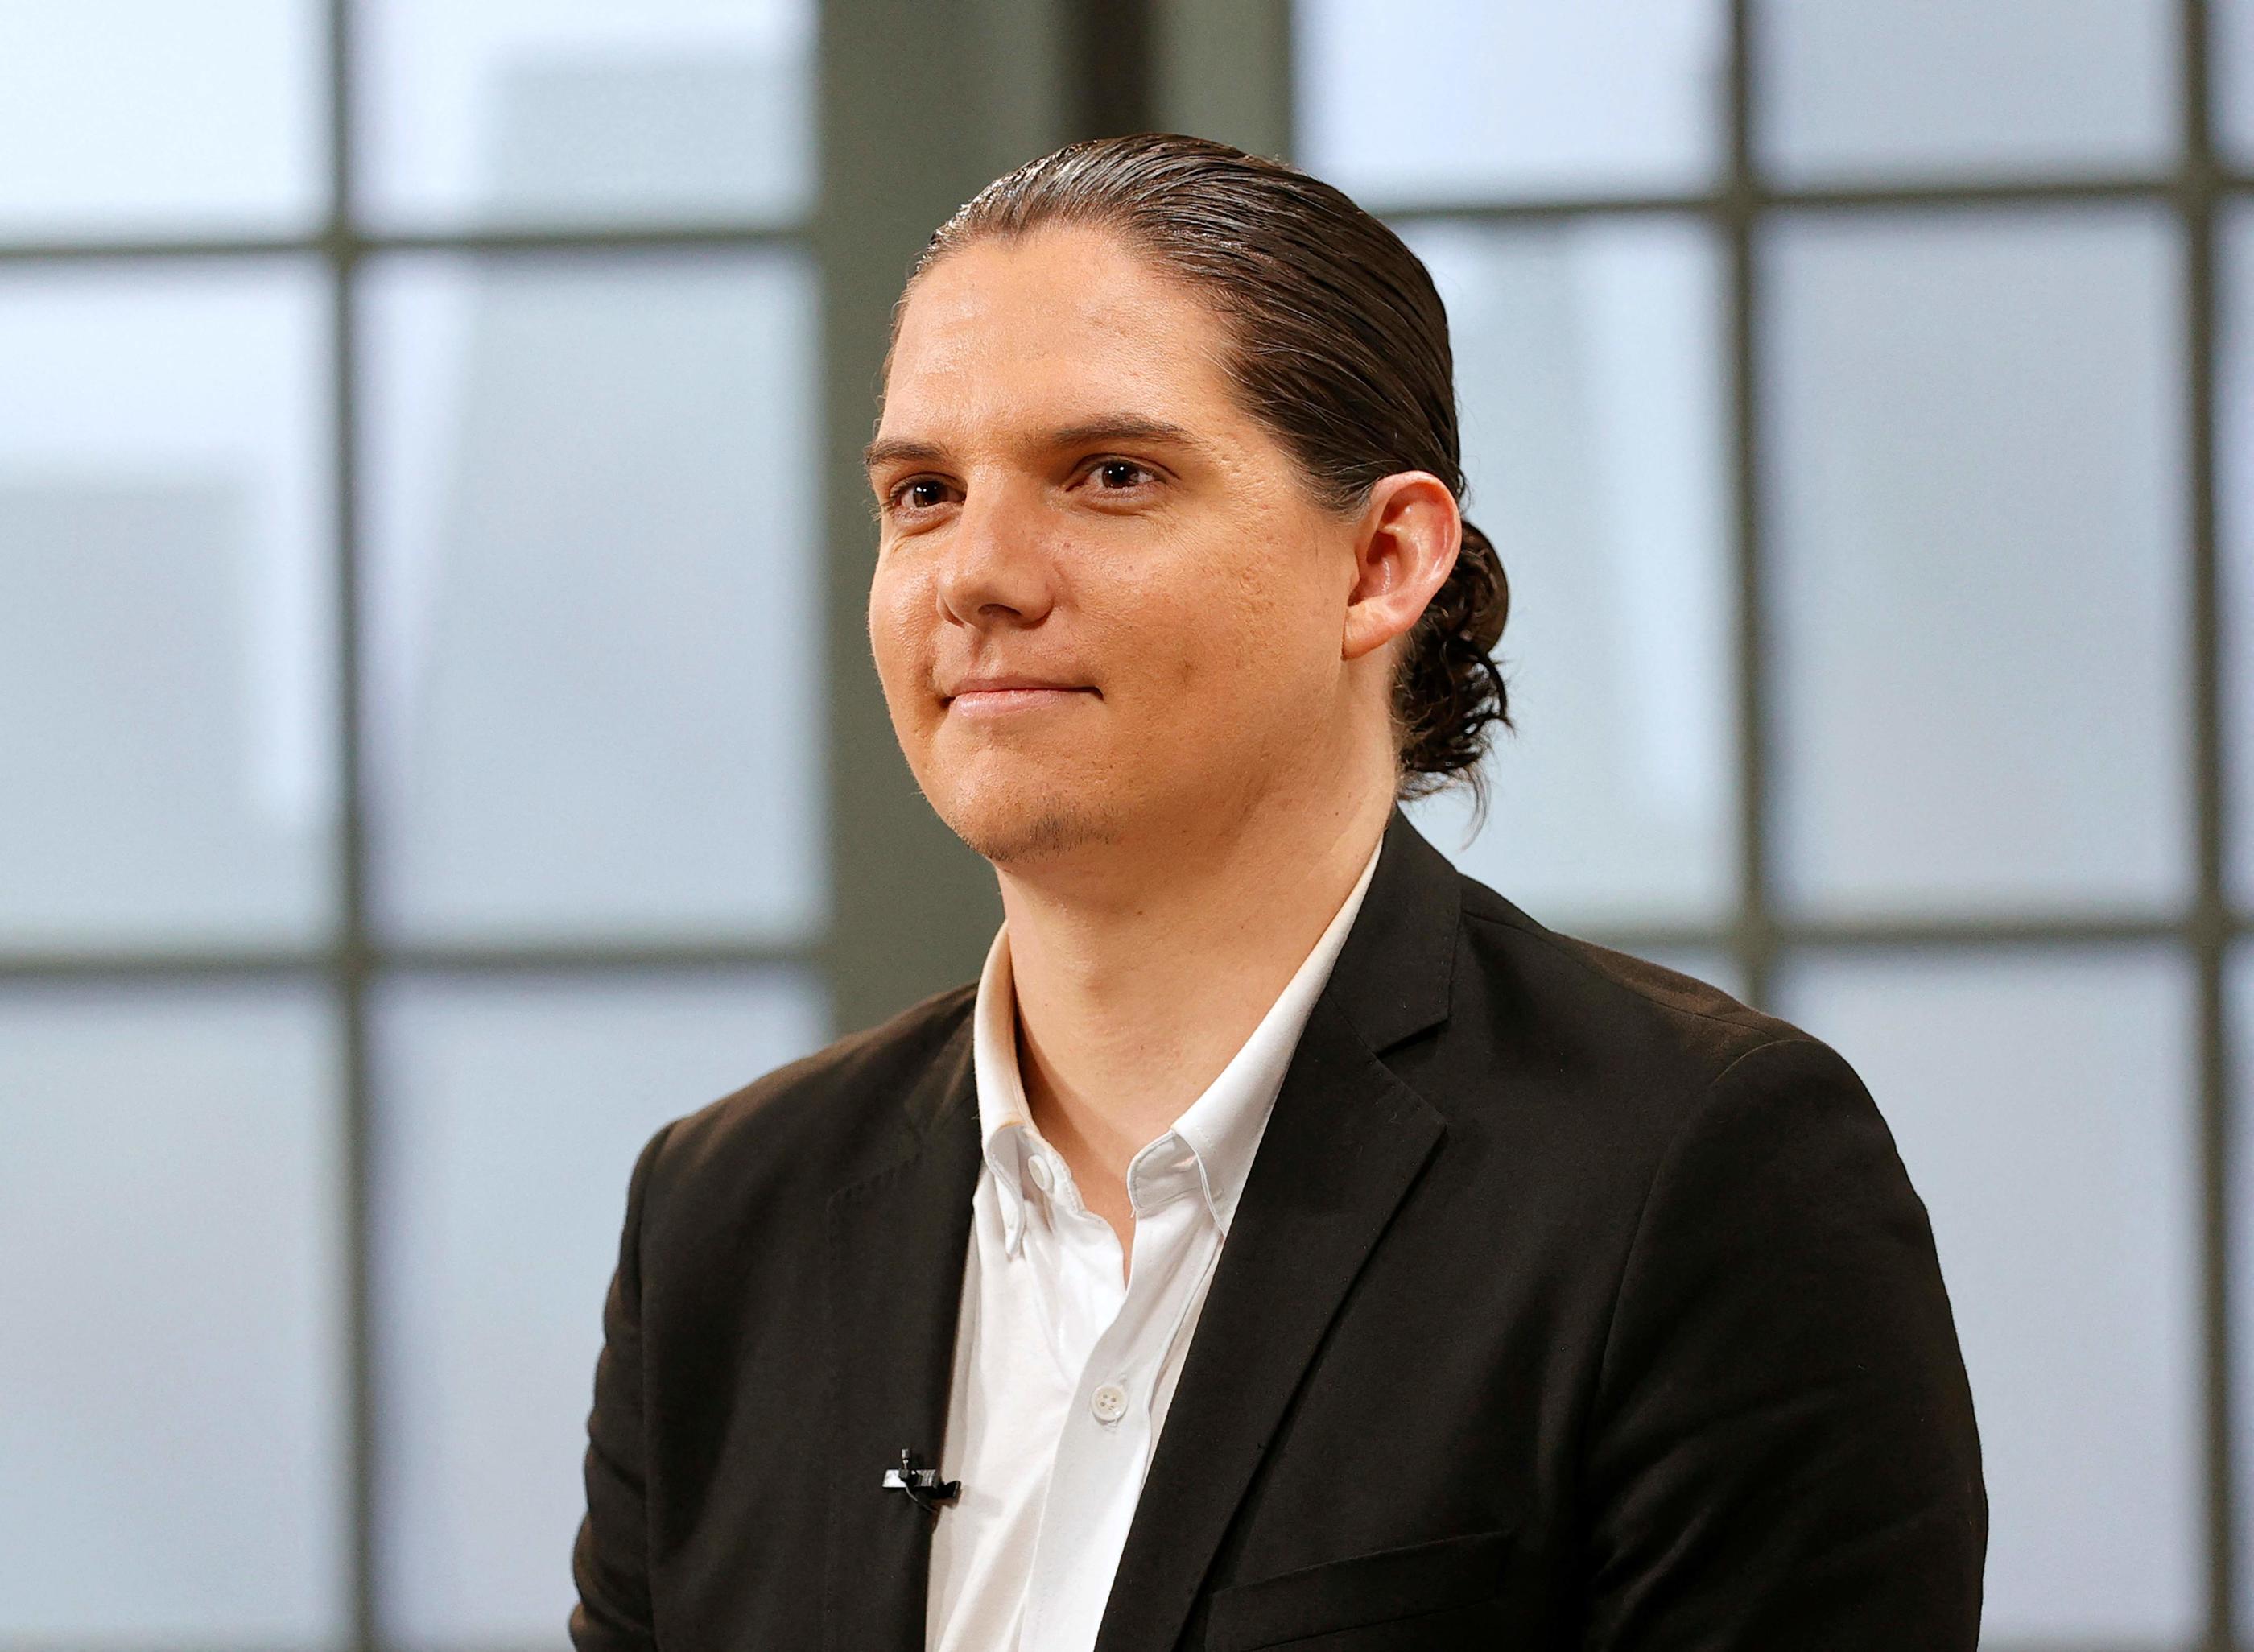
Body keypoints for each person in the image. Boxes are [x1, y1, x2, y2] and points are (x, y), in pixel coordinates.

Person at [568, 133, 1984, 1652]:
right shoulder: (724, 1215)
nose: (977, 572)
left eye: (1110, 475)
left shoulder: (1700, 1174)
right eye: (922, 492)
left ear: (1382, 561)